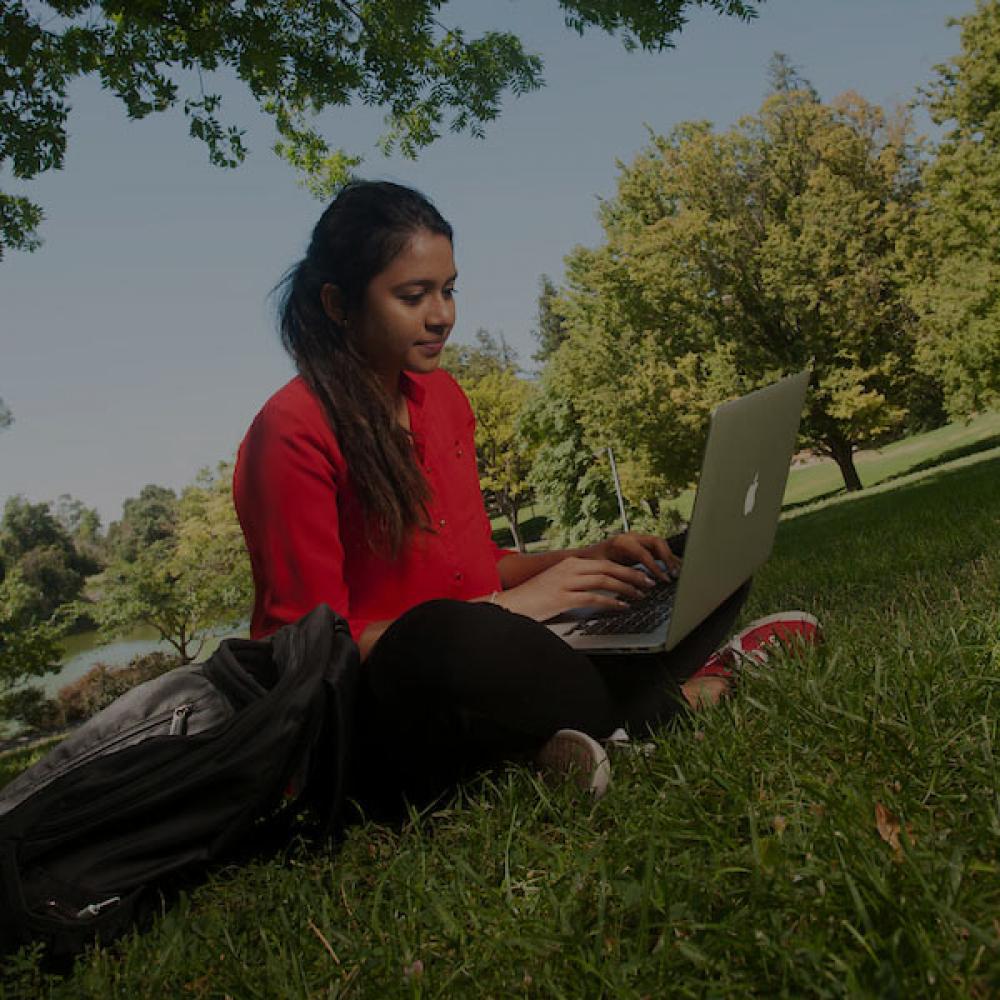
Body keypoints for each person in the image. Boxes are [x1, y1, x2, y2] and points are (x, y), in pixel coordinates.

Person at [233, 180, 819, 814]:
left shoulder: (443, 401)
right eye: (413, 296)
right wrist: (512, 609)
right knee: (446, 638)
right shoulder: (290, 432)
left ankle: (570, 738)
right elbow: (305, 651)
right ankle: (688, 695)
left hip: (501, 655)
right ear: (338, 304)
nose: (443, 315)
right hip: (392, 700)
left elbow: (477, 565)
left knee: (689, 561)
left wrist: (580, 559)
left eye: (449, 289)